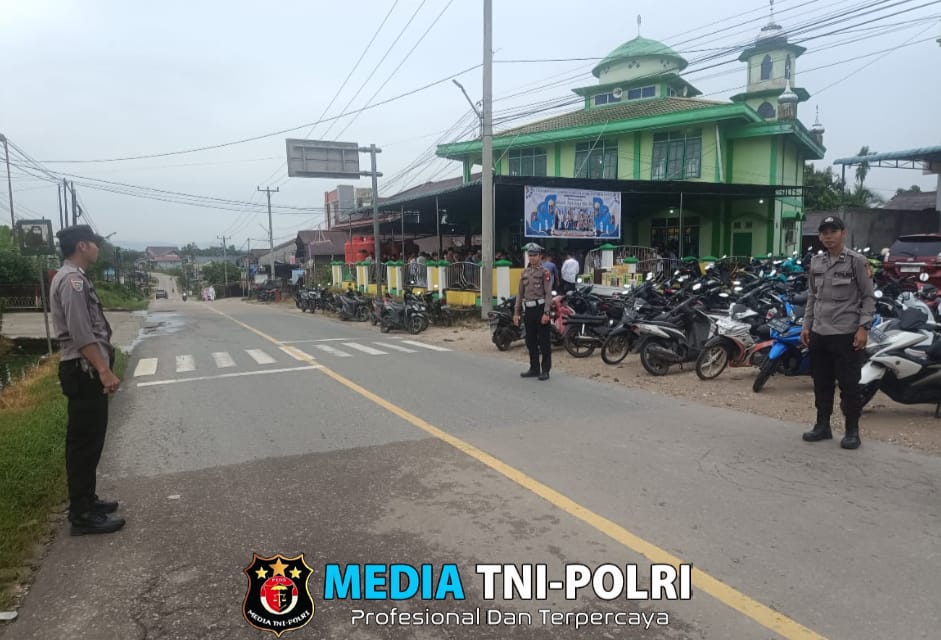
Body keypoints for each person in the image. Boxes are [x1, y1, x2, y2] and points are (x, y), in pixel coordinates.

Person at [50, 225, 125, 535]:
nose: (97, 248)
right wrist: (104, 370)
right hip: (84, 370)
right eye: (94, 243)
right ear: (82, 245)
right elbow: (82, 333)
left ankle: (87, 500)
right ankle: (81, 515)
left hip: (85, 369)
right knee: (83, 443)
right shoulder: (73, 281)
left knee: (91, 440)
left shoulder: (73, 277)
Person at [800, 215, 875, 450]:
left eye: (833, 231)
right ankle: (823, 426)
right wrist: (806, 325)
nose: (828, 236)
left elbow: (868, 297)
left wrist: (863, 328)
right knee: (821, 383)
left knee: (849, 385)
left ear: (843, 233)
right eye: (824, 232)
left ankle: (852, 431)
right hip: (819, 333)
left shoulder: (856, 261)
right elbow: (813, 296)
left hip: (845, 334)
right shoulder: (816, 262)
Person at [514, 243, 553, 381]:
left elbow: (548, 294)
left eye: (535, 255)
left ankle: (545, 370)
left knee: (544, 342)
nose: (532, 258)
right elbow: (520, 294)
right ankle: (534, 368)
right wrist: (516, 312)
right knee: (530, 341)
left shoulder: (545, 272)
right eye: (530, 255)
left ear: (540, 256)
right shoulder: (524, 273)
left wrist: (546, 313)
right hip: (528, 310)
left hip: (541, 309)